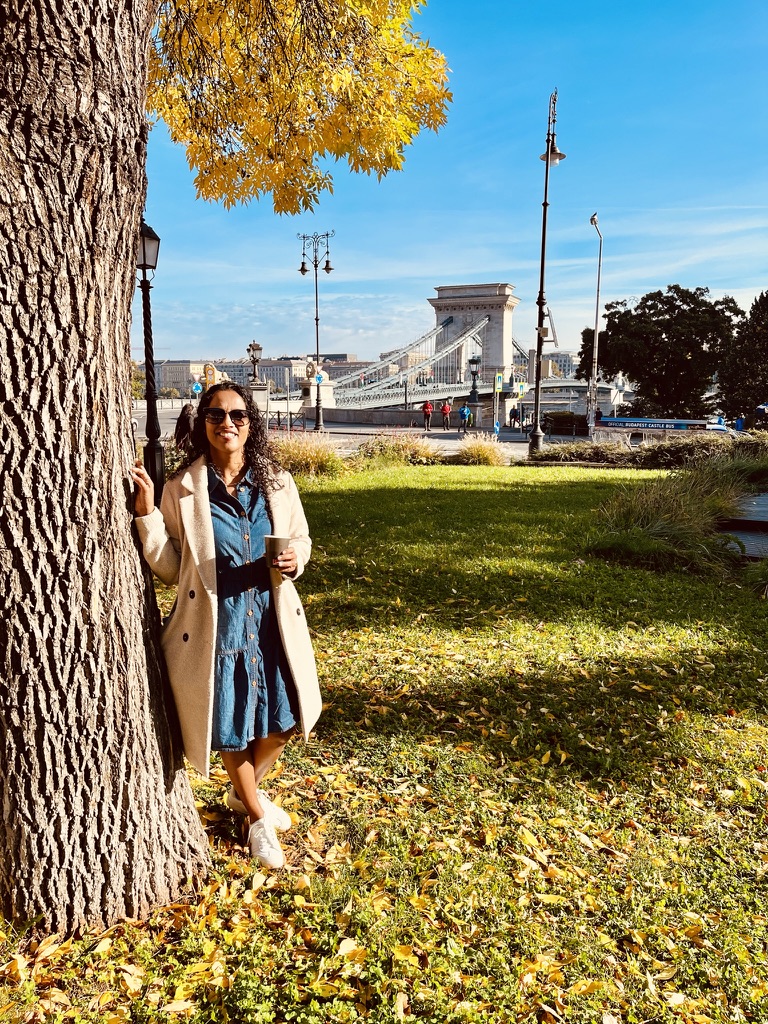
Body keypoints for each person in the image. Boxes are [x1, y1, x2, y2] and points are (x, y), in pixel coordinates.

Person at [130, 383, 321, 870]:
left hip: (271, 616)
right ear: (203, 425)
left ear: (250, 422)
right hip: (218, 622)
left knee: (285, 719)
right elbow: (172, 568)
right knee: (232, 725)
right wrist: (148, 515)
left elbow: (301, 539)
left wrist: (296, 556)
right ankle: (256, 817)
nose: (227, 422)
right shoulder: (182, 488)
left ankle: (242, 791)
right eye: (215, 414)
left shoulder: (277, 482)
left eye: (237, 413)